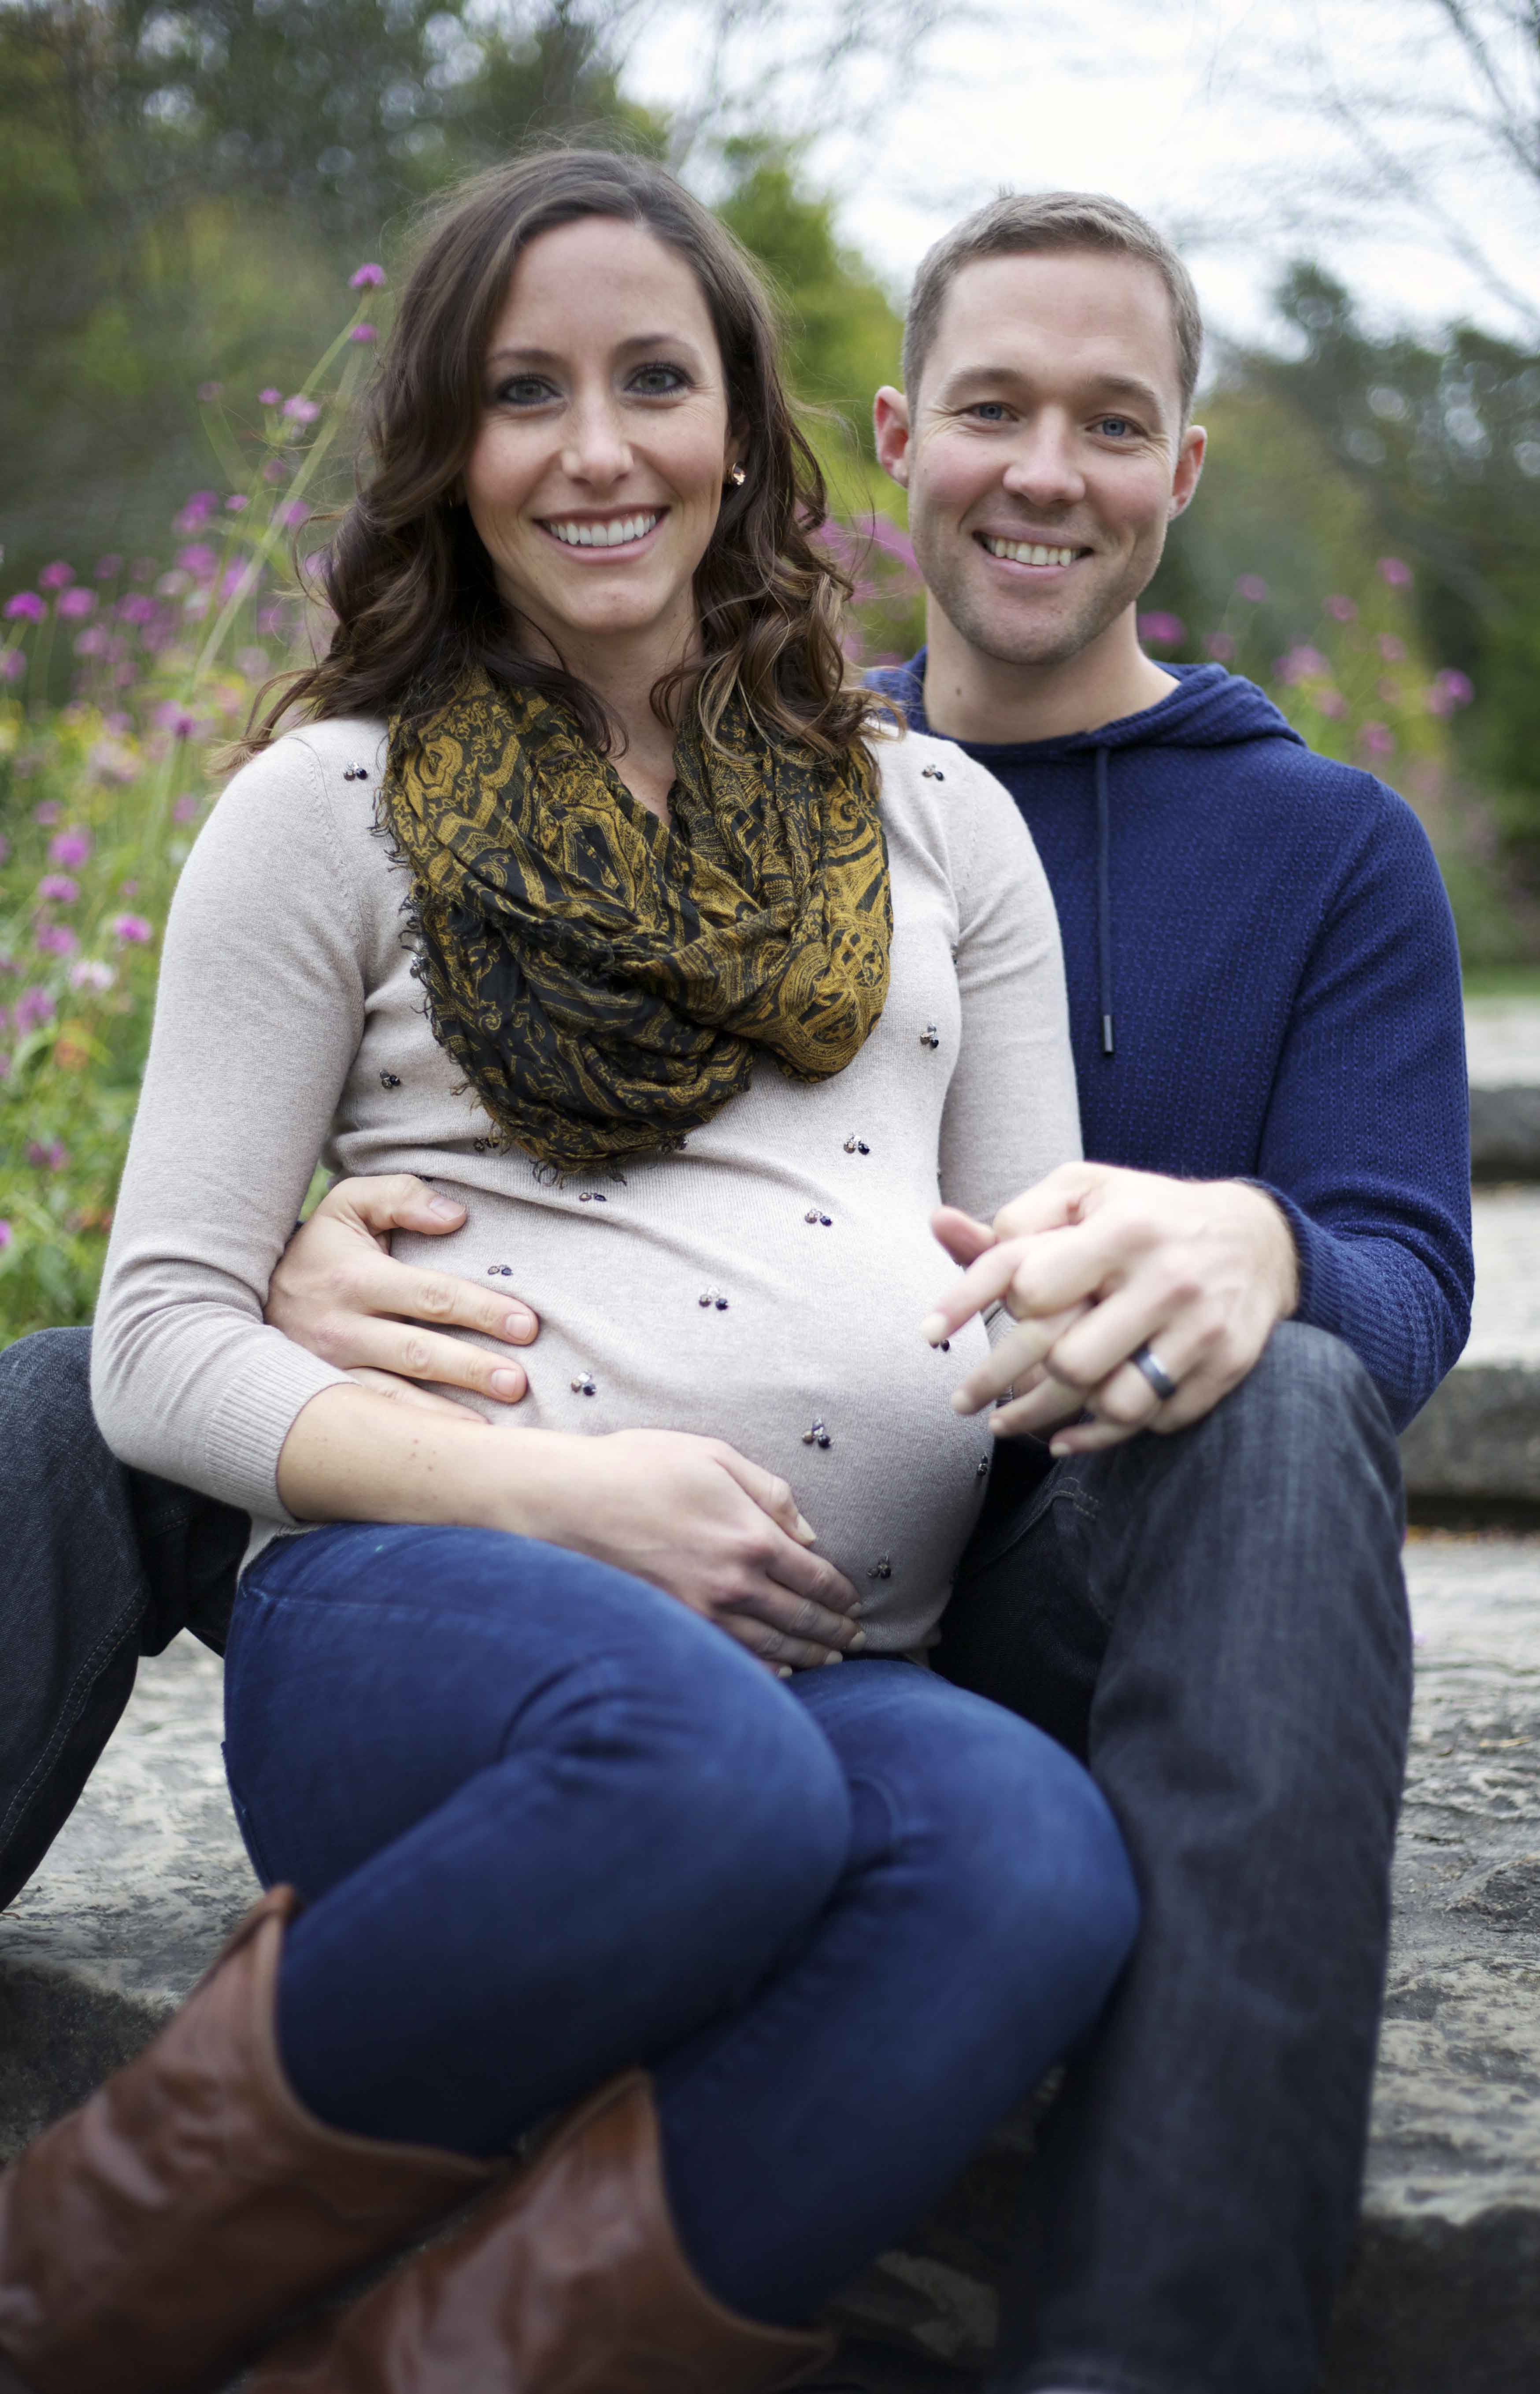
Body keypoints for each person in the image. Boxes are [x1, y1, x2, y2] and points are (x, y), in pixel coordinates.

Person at [0, 183, 1470, 2394]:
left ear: (742, 430)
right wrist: (516, 1454)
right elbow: (158, 1333)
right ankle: (52, 2308)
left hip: (876, 1636)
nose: (597, 447)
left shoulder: (951, 821)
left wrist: (1222, 1250)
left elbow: (1019, 1275)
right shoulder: (325, 803)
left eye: (653, 382)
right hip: (471, 1602)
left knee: (1033, 1866)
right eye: (525, 392)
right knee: (690, 1760)